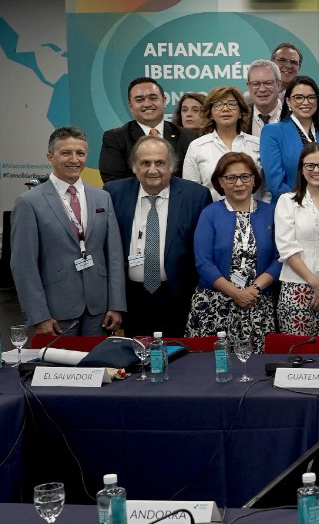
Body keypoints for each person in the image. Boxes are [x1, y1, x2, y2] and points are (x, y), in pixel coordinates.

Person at [11, 127, 125, 336]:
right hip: (55, 313)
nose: (74, 159)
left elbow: (115, 256)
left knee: (99, 367)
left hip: (99, 311)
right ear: (50, 157)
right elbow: (23, 264)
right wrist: (39, 315)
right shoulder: (29, 202)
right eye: (66, 153)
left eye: (80, 153)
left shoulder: (102, 198)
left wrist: (116, 304)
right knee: (58, 368)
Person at [106, 136, 212, 336]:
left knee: (180, 360)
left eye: (160, 163)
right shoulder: (113, 193)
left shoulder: (196, 196)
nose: (152, 170)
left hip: (178, 298)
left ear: (172, 166)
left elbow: (202, 251)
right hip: (130, 298)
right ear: (134, 166)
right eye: (145, 163)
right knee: (136, 358)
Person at [189, 152, 281, 351]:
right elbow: (203, 262)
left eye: (245, 176)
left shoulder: (271, 213)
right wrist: (236, 293)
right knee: (212, 370)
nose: (239, 183)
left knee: (257, 369)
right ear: (220, 182)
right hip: (215, 305)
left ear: (254, 180)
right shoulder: (209, 214)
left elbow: (279, 258)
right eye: (231, 178)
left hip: (257, 303)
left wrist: (252, 290)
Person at [274, 143, 319, 336]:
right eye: (310, 166)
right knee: (298, 355)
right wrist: (316, 284)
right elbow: (287, 248)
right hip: (296, 289)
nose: (316, 170)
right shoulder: (288, 201)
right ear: (302, 169)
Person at [99, 77, 198, 182]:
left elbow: (194, 179)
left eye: (153, 98)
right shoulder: (115, 138)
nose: (147, 104)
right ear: (130, 105)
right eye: (139, 100)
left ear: (164, 101)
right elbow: (114, 182)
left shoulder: (188, 137)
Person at [261, 75, 319, 202]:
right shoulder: (272, 132)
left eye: (311, 97)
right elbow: (275, 183)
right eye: (298, 97)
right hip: (289, 208)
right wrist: (305, 204)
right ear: (288, 101)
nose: (305, 102)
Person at [183, 87, 264, 201]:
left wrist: (262, 214)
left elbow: (267, 190)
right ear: (210, 113)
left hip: (254, 214)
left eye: (231, 104)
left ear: (241, 112)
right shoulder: (197, 146)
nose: (225, 109)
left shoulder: (258, 144)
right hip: (212, 215)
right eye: (218, 104)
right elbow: (191, 192)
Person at [244, 59, 283, 136]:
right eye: (256, 84)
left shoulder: (294, 116)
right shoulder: (239, 117)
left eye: (268, 83)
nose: (262, 89)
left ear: (278, 85)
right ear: (248, 86)